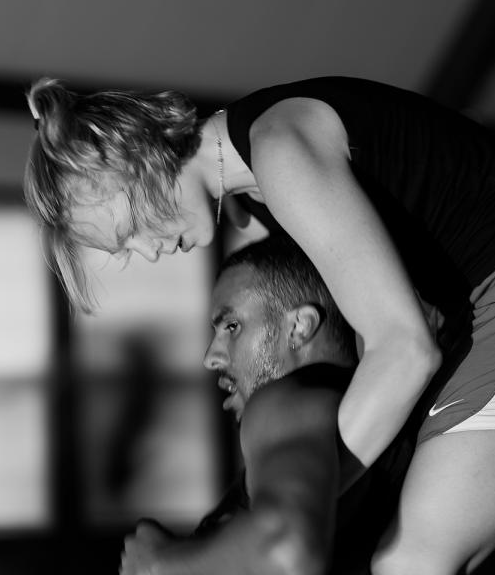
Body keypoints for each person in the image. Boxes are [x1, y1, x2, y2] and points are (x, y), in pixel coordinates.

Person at [24, 75, 495, 574]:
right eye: (125, 250)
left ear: (141, 155)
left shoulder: (281, 150)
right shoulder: (261, 186)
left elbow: (405, 350)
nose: (149, 252)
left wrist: (249, 533)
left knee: (411, 564)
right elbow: (390, 328)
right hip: (485, 303)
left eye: (130, 225)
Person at [120, 235, 416, 575]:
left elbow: (285, 548)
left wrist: (161, 563)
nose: (210, 358)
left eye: (232, 326)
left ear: (299, 327)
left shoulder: (285, 402)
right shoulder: (374, 425)